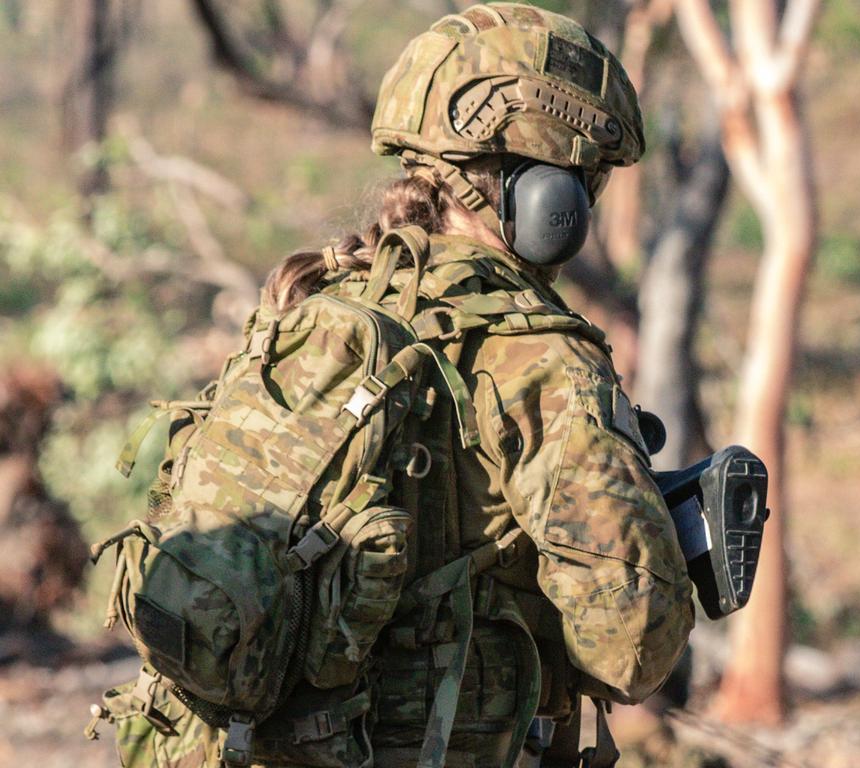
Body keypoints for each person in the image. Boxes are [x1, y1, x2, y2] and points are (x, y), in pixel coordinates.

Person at [95, 4, 694, 767]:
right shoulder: (537, 356)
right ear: (547, 194)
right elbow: (631, 645)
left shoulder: (314, 299)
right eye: (586, 179)